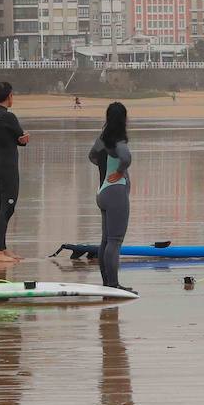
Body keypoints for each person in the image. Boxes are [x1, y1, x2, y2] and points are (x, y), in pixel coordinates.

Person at [88, 101, 134, 291]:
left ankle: (107, 283)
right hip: (116, 194)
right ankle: (114, 285)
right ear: (123, 119)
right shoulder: (119, 141)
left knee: (106, 240)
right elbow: (126, 157)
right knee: (115, 241)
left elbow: (91, 156)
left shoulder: (102, 139)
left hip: (102, 192)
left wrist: (105, 168)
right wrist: (120, 171)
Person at [0, 81, 30, 263]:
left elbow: (10, 139)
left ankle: (2, 248)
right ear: (9, 96)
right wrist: (25, 139)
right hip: (8, 167)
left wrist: (20, 139)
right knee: (8, 207)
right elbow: (20, 138)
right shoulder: (8, 117)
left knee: (1, 206)